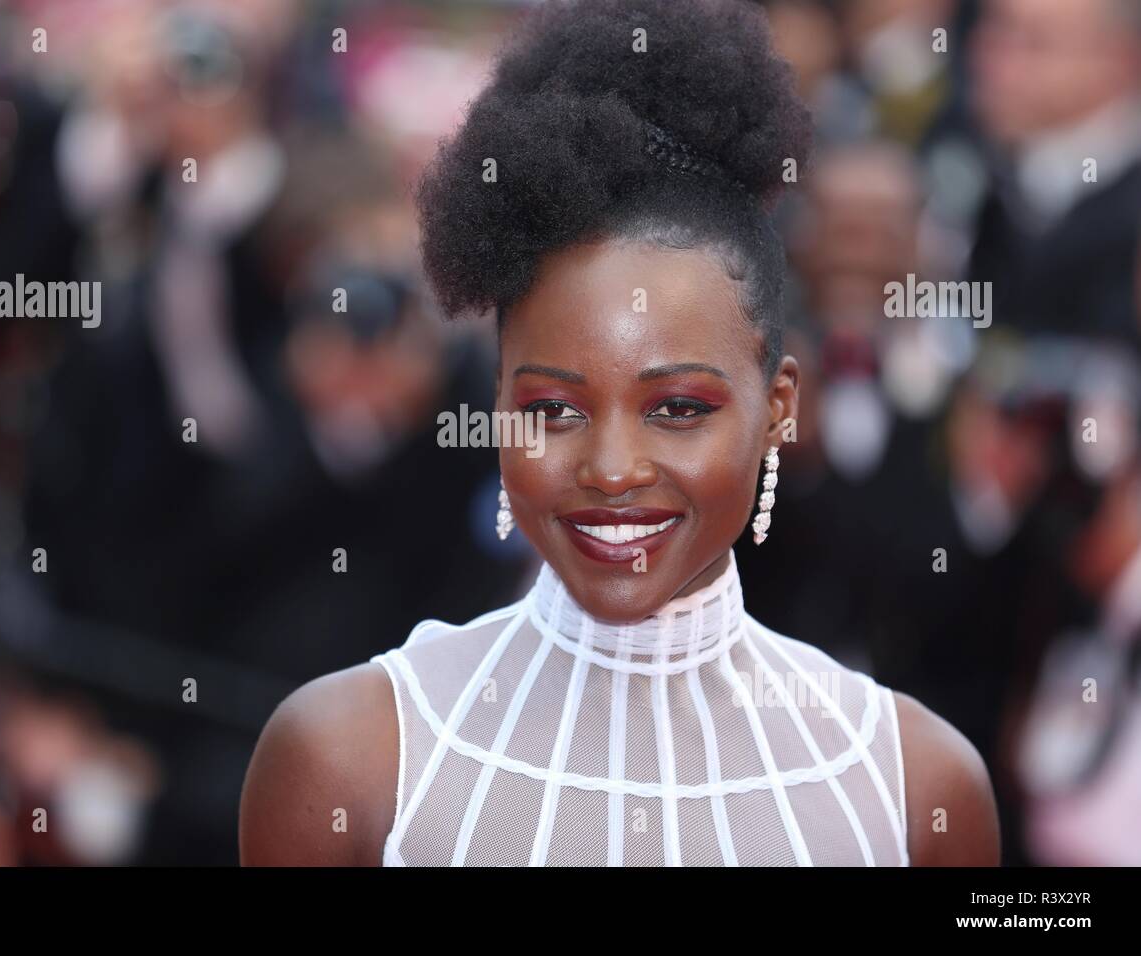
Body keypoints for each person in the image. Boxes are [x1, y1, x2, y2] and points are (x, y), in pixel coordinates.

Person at [240, 0, 999, 866]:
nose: (610, 469)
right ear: (495, 403)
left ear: (779, 407)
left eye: (679, 409)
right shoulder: (347, 758)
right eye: (553, 411)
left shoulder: (915, 787)